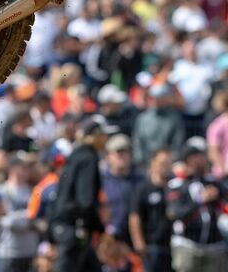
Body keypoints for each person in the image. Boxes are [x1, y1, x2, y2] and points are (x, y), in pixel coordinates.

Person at [51, 115, 114, 272]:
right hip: (74, 228)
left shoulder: (76, 155)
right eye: (103, 135)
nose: (106, 139)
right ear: (94, 136)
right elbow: (85, 201)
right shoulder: (88, 158)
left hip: (66, 226)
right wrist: (100, 228)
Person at [165, 138, 227, 272]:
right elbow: (175, 213)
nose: (203, 159)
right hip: (187, 245)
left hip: (213, 246)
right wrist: (201, 199)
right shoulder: (177, 184)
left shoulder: (212, 181)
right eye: (198, 156)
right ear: (189, 159)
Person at [129, 148, 173, 272]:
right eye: (162, 163)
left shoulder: (174, 187)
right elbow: (135, 216)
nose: (165, 167)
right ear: (153, 163)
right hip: (152, 246)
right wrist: (139, 243)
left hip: (173, 245)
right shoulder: (143, 189)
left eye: (168, 163)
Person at [101, 134, 141, 244]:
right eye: (117, 153)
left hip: (134, 240)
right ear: (108, 156)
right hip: (108, 239)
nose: (121, 156)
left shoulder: (140, 180)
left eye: (125, 152)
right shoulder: (101, 181)